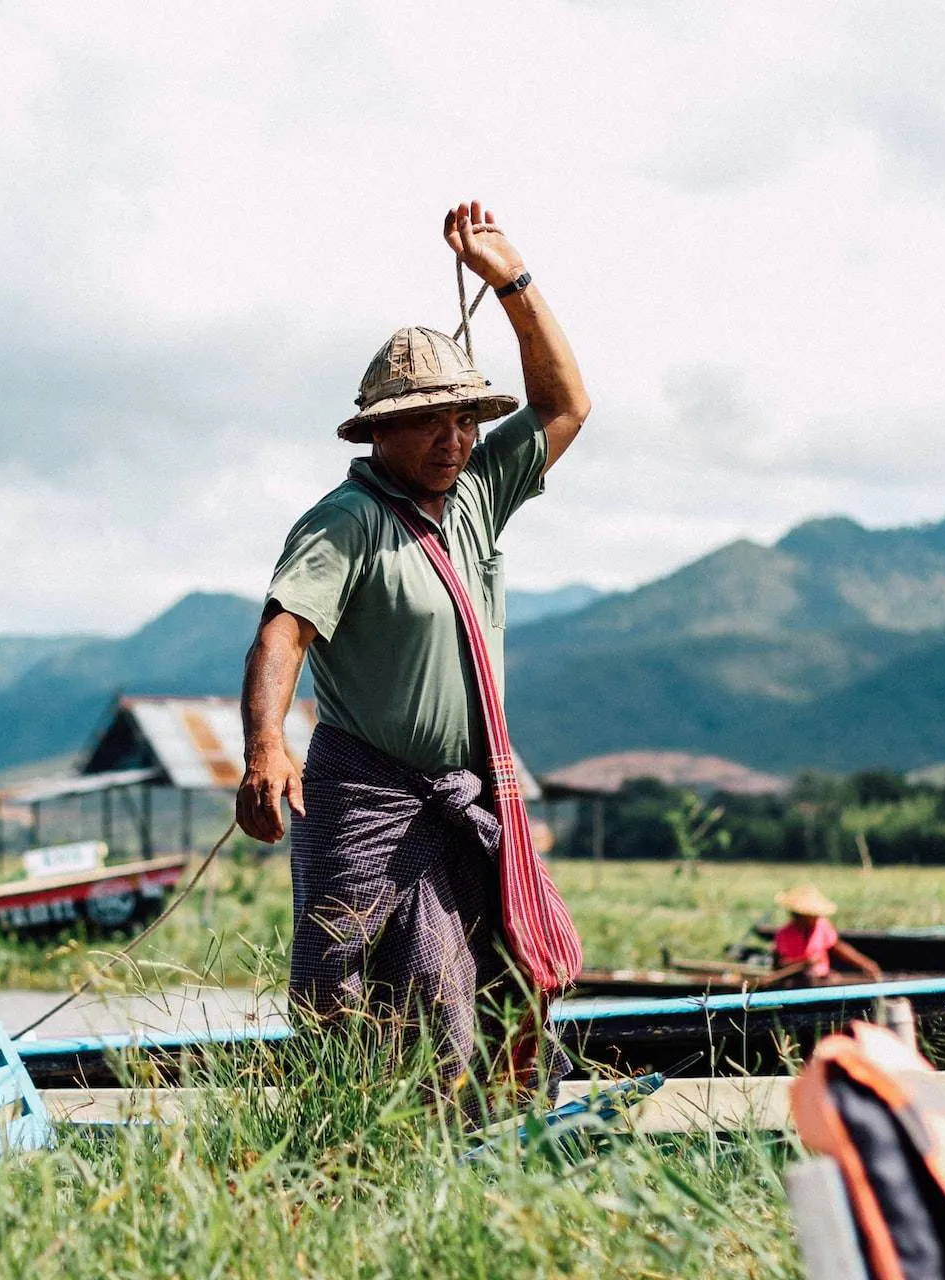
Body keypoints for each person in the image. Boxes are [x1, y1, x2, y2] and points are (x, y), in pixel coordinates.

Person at [236, 200, 589, 1092]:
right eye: (431, 420)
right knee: (358, 989)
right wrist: (265, 746)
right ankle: (355, 1138)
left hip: (464, 789)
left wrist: (511, 278)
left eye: (465, 418)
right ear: (379, 431)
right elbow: (285, 628)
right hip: (370, 791)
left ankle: (483, 1142)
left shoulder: (473, 495)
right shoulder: (345, 523)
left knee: (488, 977)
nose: (455, 437)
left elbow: (565, 404)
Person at [769, 884, 883, 986]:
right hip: (795, 981)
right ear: (798, 915)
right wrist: (805, 962)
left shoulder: (821, 925)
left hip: (822, 979)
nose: (816, 917)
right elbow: (781, 964)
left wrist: (864, 963)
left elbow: (838, 946)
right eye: (811, 915)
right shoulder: (785, 934)